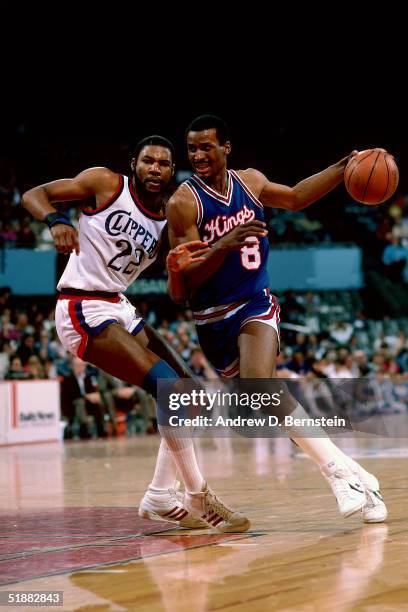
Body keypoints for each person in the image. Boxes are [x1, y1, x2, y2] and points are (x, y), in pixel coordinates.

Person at [22, 135, 250, 533]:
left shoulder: (168, 220)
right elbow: (34, 194)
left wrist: (189, 265)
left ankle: (160, 494)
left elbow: (176, 291)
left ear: (171, 169)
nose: (155, 169)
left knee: (188, 392)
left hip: (117, 305)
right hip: (80, 305)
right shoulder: (105, 184)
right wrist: (56, 221)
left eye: (164, 163)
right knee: (170, 388)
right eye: (148, 161)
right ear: (134, 164)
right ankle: (199, 494)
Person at [165, 114, 387, 523]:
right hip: (211, 318)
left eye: (206, 147)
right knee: (262, 400)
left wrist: (342, 169)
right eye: (191, 148)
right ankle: (360, 479)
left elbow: (298, 197)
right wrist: (222, 246)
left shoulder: (250, 181)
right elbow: (187, 281)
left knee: (258, 384)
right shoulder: (183, 201)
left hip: (254, 303)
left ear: (226, 147)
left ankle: (337, 475)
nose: (197, 155)